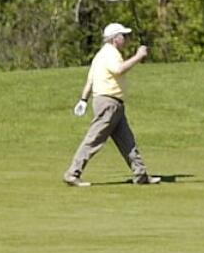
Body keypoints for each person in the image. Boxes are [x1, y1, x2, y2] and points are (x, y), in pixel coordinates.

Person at [63, 22, 158, 186]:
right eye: (123, 36)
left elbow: (90, 81)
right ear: (115, 39)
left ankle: (140, 174)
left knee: (127, 141)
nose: (126, 39)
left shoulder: (100, 55)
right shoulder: (110, 54)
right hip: (109, 103)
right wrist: (138, 56)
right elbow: (119, 69)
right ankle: (72, 173)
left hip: (113, 104)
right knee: (94, 139)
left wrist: (83, 100)